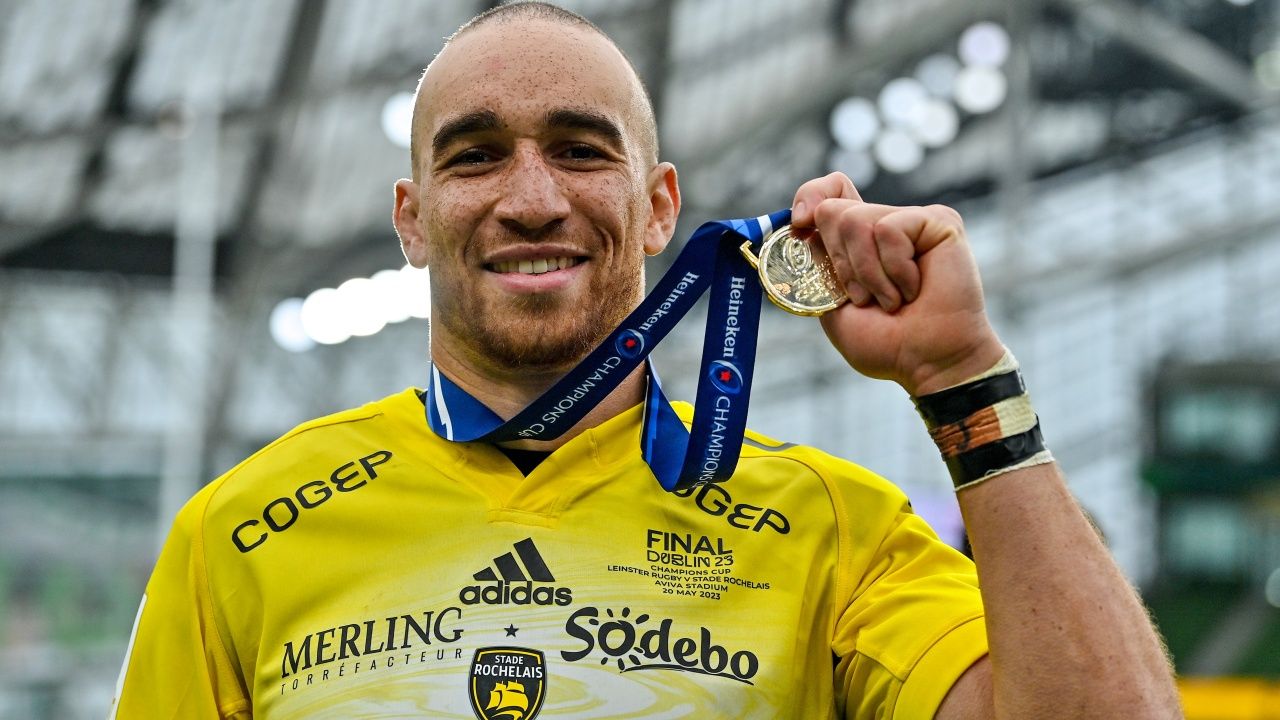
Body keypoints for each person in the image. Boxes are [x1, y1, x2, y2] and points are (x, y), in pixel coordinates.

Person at [111, 3, 1182, 718]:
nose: (533, 200)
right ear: (412, 217)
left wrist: (960, 374)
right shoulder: (238, 534)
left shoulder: (835, 534)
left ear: (660, 205)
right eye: (475, 156)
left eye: (580, 151)